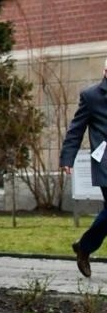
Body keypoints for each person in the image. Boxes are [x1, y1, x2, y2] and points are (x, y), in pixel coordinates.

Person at [61, 57, 107, 278]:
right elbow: (76, 129)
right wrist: (67, 159)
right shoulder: (91, 97)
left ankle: (84, 247)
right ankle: (85, 247)